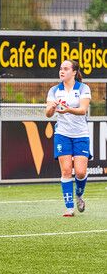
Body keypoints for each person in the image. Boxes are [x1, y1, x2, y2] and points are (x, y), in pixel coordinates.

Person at [45, 59, 91, 216]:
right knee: (66, 171)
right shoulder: (54, 90)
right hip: (62, 134)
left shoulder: (84, 88)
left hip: (81, 135)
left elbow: (83, 110)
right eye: (60, 68)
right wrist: (51, 108)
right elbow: (48, 114)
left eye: (65, 68)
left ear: (74, 72)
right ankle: (69, 208)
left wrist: (68, 109)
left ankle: (79, 194)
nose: (62, 71)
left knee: (79, 172)